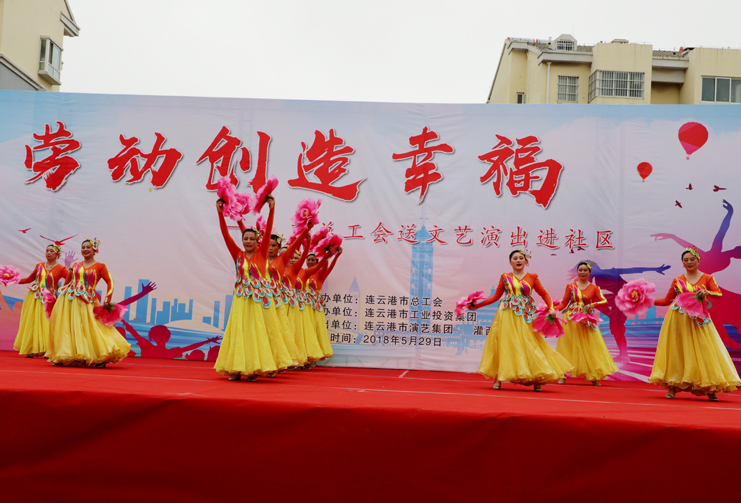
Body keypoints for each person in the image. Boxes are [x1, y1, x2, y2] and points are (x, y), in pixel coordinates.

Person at [214, 196, 293, 381]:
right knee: (239, 331)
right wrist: (220, 214)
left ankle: (254, 369)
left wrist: (272, 209)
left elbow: (268, 232)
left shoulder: (262, 253)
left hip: (259, 301)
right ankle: (236, 368)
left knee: (256, 333)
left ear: (258, 242)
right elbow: (225, 234)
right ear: (242, 240)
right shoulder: (237, 254)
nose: (248, 241)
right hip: (241, 300)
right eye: (245, 238)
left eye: (252, 239)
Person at [472, 250, 573, 392]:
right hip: (507, 313)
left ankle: (537, 377)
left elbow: (544, 293)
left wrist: (551, 308)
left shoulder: (532, 277)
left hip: (526, 313)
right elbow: (496, 296)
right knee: (506, 343)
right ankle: (499, 377)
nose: (518, 260)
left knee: (531, 342)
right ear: (510, 262)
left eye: (521, 258)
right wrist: (477, 306)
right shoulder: (505, 277)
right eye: (515, 258)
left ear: (526, 261)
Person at [649, 248, 740, 401]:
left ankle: (710, 386)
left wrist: (707, 293)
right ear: (682, 263)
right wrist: (647, 300)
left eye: (692, 259)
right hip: (678, 318)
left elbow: (718, 294)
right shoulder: (677, 280)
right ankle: (673, 385)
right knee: (677, 350)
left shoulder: (707, 278)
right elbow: (666, 300)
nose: (689, 262)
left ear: (698, 260)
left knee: (704, 350)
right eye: (686, 260)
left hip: (699, 319)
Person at [46, 239, 131, 367]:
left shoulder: (100, 266)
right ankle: (69, 355)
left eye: (88, 247)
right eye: (83, 247)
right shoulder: (76, 265)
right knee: (69, 327)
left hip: (88, 301)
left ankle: (99, 356)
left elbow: (110, 282)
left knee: (90, 327)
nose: (85, 249)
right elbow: (67, 281)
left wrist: (107, 298)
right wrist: (59, 296)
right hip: (70, 300)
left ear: (94, 250)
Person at [554, 261, 617, 386]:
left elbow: (604, 301)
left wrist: (592, 304)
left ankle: (593, 376)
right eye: (580, 270)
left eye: (585, 270)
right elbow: (564, 303)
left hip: (587, 320)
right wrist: (553, 310)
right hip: (571, 320)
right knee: (567, 346)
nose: (582, 272)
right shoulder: (571, 286)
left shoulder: (594, 288)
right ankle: (562, 375)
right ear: (577, 272)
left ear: (589, 272)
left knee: (590, 346)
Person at [267, 227, 313, 369]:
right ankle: (269, 360)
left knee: (283, 331)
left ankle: (284, 359)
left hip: (284, 303)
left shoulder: (292, 268)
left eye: (274, 246)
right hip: (266, 299)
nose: (270, 248)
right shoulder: (262, 259)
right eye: (268, 245)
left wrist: (307, 237)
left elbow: (302, 254)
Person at [13, 244, 68, 357]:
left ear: (57, 254)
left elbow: (71, 279)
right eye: (47, 250)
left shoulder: (61, 268)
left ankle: (48, 349)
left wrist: (63, 290)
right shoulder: (39, 266)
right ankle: (31, 348)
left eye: (51, 251)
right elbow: (29, 279)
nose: (48, 253)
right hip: (35, 297)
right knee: (33, 322)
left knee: (48, 323)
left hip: (49, 300)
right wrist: (12, 280)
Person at [284, 238, 325, 367]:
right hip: (281, 304)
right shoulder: (279, 269)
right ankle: (284, 359)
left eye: (296, 258)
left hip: (297, 306)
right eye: (291, 257)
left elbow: (320, 266)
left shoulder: (303, 272)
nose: (293, 260)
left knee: (297, 332)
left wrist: (326, 255)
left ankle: (301, 357)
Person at [307, 246, 343, 361]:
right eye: (309, 260)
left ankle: (315, 355)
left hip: (315, 307)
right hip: (304, 306)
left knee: (316, 330)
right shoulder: (302, 273)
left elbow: (329, 267)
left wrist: (334, 256)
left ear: (317, 262)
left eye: (313, 260)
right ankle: (305, 355)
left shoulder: (320, 274)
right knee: (306, 331)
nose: (310, 262)